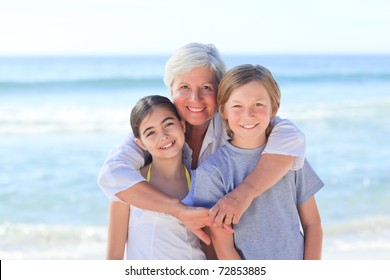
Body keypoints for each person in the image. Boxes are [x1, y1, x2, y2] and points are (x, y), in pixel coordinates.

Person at [98, 42, 306, 245]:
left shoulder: (235, 122)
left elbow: (290, 136)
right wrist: (178, 211)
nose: (195, 99)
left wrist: (242, 195)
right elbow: (112, 174)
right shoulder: (157, 131)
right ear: (171, 90)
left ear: (220, 91)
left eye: (206, 87)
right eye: (184, 87)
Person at [191, 64, 323, 259]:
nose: (248, 115)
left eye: (258, 105)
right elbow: (224, 249)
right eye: (237, 106)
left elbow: (312, 224)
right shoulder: (212, 172)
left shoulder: (289, 157)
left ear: (274, 108)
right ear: (224, 111)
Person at [106, 95, 206, 259]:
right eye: (150, 132)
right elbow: (113, 258)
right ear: (141, 143)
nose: (163, 135)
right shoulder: (128, 188)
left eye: (168, 124)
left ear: (182, 125)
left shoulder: (202, 183)